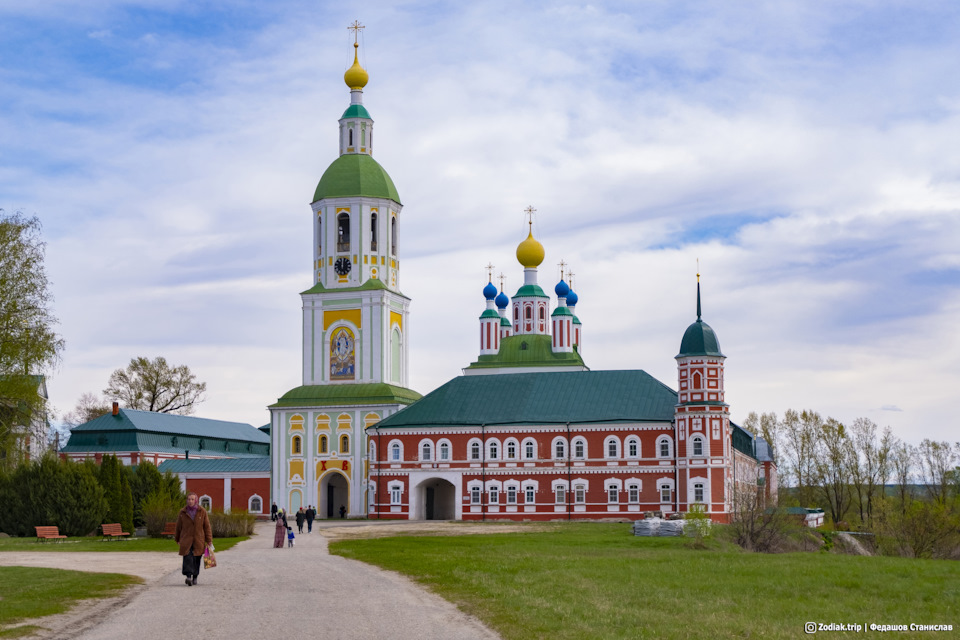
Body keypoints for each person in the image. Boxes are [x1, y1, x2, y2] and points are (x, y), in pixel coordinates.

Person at [175, 491, 212, 587]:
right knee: (187, 557)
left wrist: (209, 540)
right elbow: (178, 526)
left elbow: (207, 526)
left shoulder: (202, 511)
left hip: (198, 539)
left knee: (196, 558)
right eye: (189, 499)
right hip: (186, 539)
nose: (190, 501)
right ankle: (188, 577)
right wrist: (177, 538)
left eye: (192, 499)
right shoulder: (183, 512)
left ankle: (195, 576)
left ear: (196, 500)